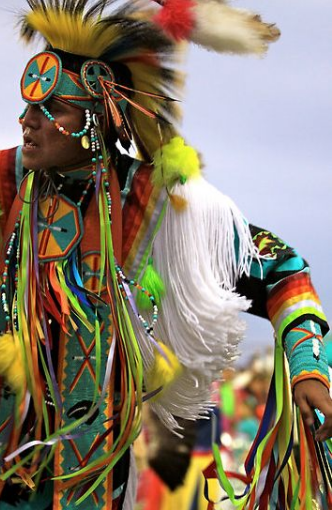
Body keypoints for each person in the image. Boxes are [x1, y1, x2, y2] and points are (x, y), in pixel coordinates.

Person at [0, 1, 331, 509]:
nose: (27, 122)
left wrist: (308, 368)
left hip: (87, 476)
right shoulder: (7, 185)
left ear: (98, 117)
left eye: (52, 110)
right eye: (26, 108)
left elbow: (282, 270)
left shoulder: (155, 203)